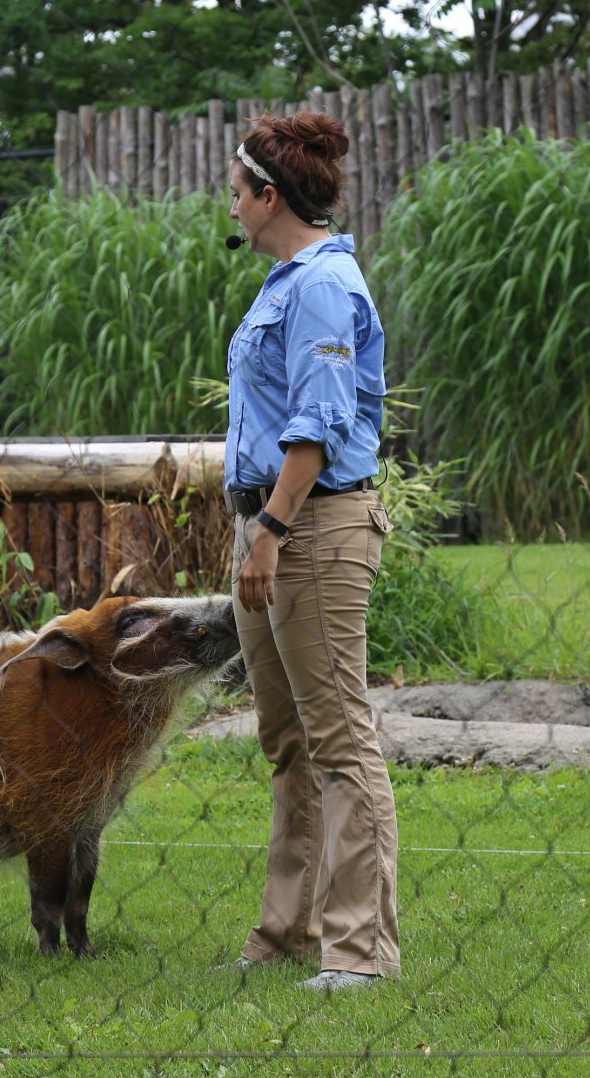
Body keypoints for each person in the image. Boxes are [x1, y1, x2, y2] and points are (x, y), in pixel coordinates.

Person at [218, 113, 399, 991]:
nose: (231, 202)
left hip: (311, 528)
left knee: (338, 736)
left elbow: (319, 423)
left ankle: (358, 953)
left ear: (267, 196)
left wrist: (272, 531)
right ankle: (286, 933)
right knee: (288, 739)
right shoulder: (282, 283)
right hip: (270, 524)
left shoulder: (324, 286)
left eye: (236, 188)